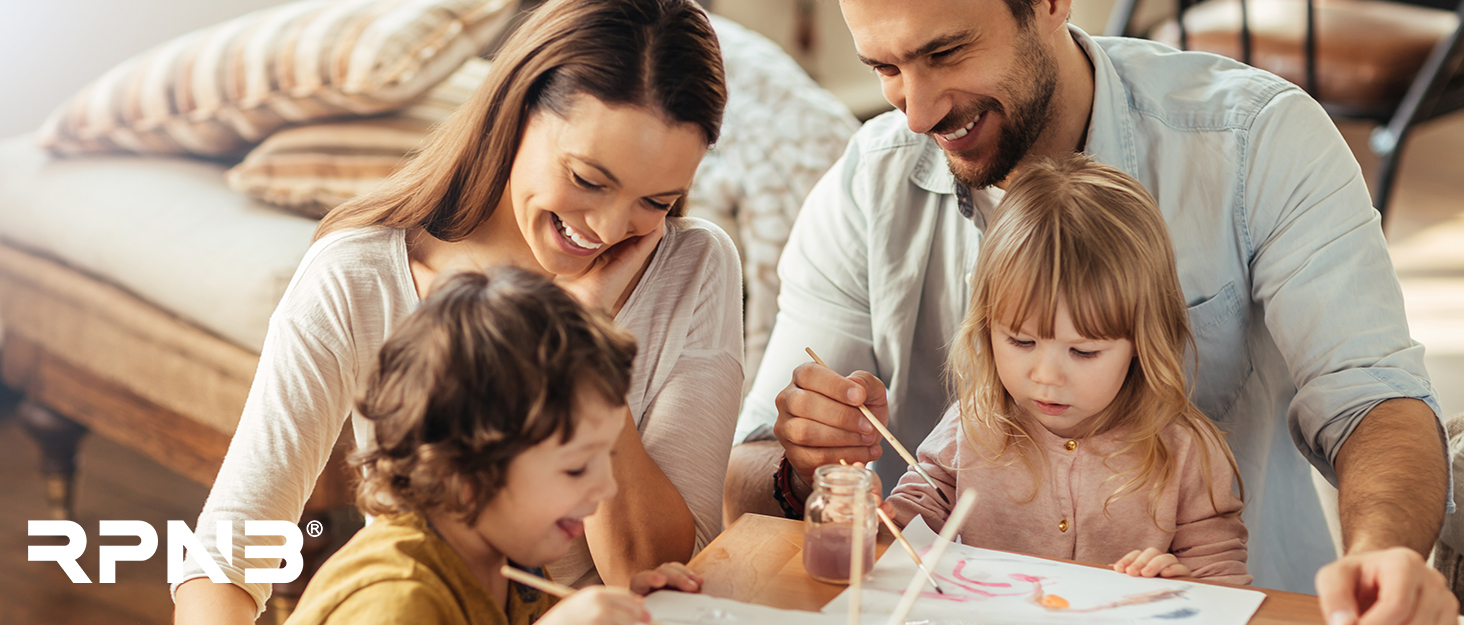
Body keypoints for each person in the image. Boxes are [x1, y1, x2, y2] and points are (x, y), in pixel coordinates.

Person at [725, 0, 1456, 621]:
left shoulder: (1258, 143)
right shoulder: (864, 188)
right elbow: (750, 474)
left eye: (945, 52)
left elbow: (1373, 400)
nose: (916, 112)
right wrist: (799, 461)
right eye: (883, 70)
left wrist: (1384, 556)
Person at [174, 0, 742, 622]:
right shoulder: (359, 276)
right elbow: (228, 554)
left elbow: (657, 572)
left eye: (655, 200)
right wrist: (567, 333)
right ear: (518, 111)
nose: (608, 228)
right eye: (587, 178)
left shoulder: (693, 264)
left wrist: (579, 340)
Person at [882, 154, 1249, 585]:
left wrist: (1181, 582)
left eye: (1083, 351)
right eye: (1021, 342)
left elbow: (1223, 580)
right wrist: (880, 520)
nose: (1047, 376)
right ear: (986, 327)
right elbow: (914, 516)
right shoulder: (974, 423)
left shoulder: (1185, 451)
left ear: (1140, 341)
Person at [286, 268, 702, 625]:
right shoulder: (395, 600)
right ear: (465, 472)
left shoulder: (507, 555)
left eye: (605, 456)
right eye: (576, 467)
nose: (607, 487)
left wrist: (638, 610)